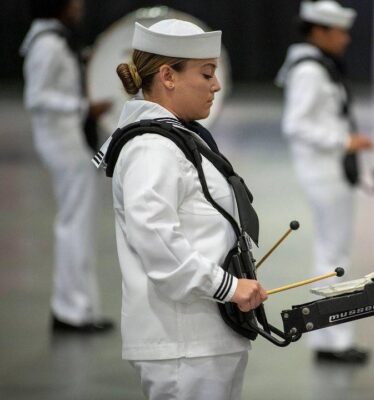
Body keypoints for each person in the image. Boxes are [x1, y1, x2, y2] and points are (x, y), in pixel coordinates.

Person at [93, 19, 268, 400]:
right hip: (183, 345)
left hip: (205, 337)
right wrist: (228, 286)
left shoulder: (176, 137)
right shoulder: (151, 148)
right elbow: (158, 242)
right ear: (168, 76)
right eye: (206, 74)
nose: (216, 86)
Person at [276, 0, 373, 364]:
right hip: (323, 172)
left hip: (331, 171)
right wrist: (343, 141)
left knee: (331, 253)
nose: (346, 39)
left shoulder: (319, 67)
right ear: (319, 32)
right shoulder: (309, 71)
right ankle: (335, 339)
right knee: (333, 256)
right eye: (339, 32)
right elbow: (296, 125)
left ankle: (328, 338)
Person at [20, 0, 112, 333]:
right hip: (63, 143)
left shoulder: (55, 39)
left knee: (79, 225)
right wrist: (83, 107)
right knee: (75, 225)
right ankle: (71, 309)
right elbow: (36, 97)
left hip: (70, 141)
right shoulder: (47, 44)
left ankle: (78, 307)